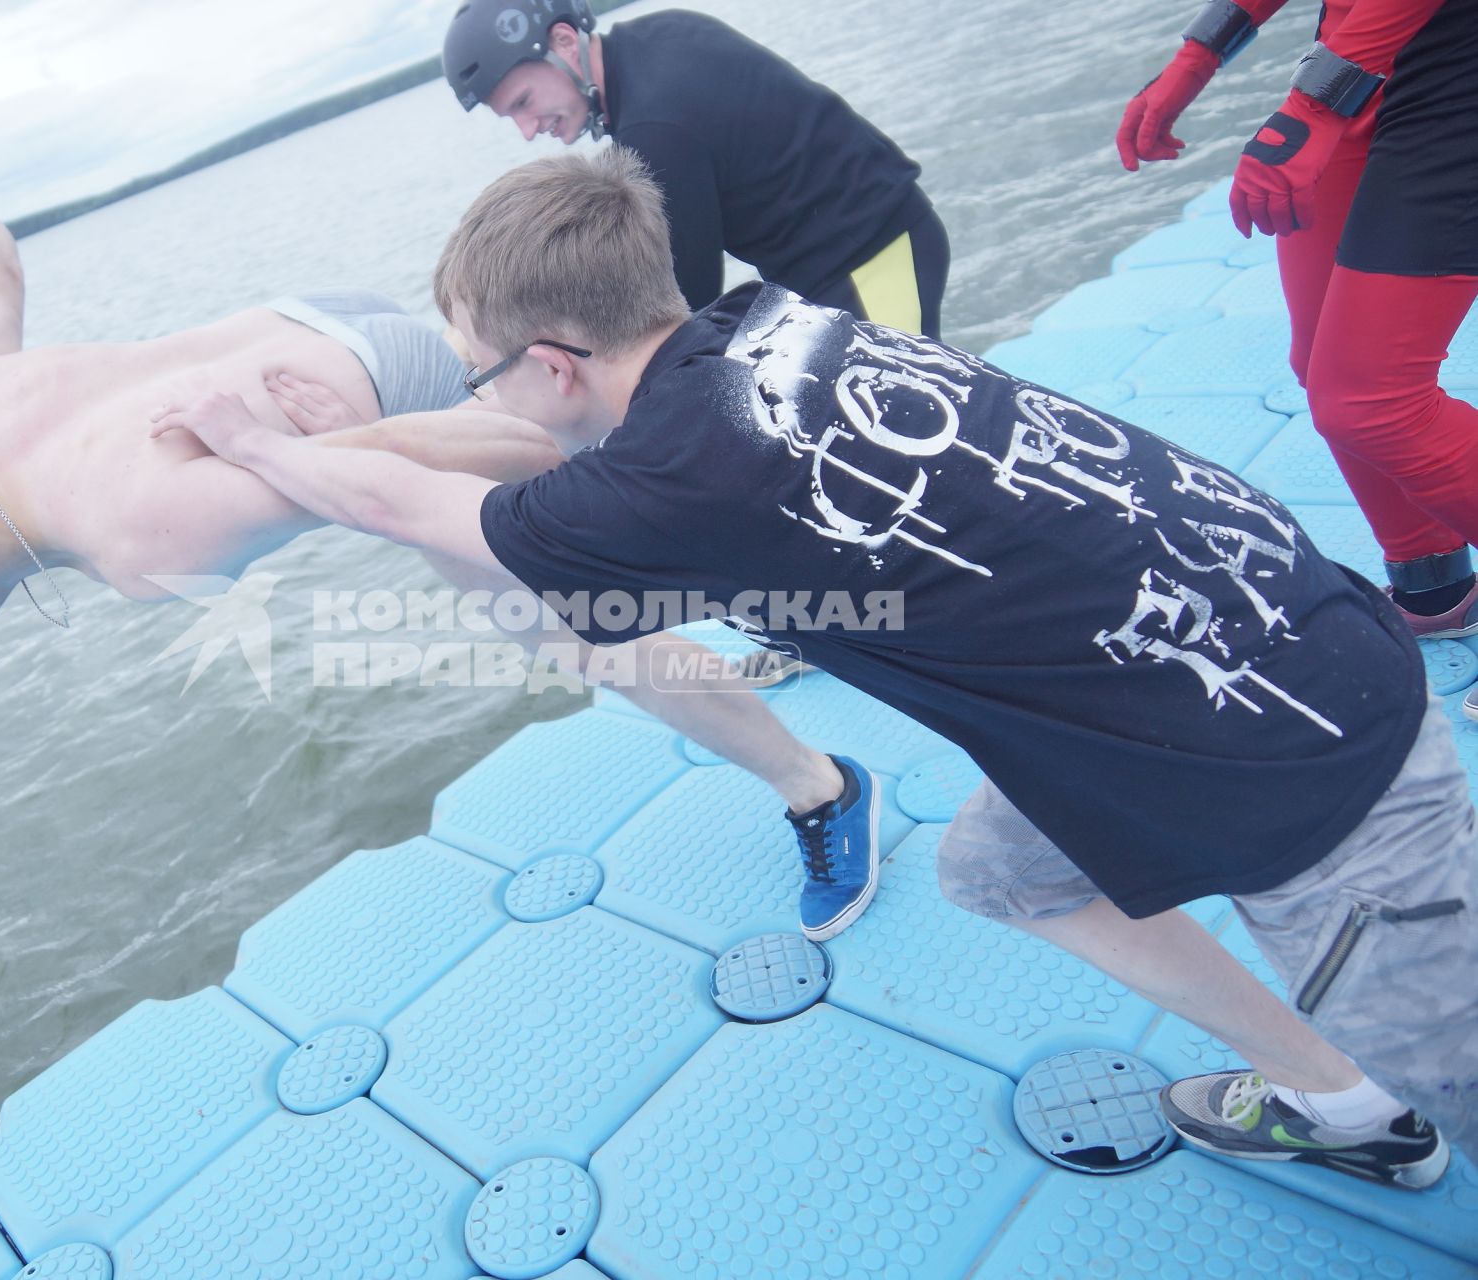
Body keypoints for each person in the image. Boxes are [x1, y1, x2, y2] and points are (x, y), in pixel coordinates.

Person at [156, 148, 1475, 1187]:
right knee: (996, 870)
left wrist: (245, 437)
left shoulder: (676, 474)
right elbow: (536, 460)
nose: (485, 397)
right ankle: (1335, 1097)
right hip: (1272, 626)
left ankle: (1388, 1106)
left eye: (483, 375)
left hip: (1307, 776)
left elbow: (415, 512)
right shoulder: (773, 335)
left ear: (552, 364)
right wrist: (367, 431)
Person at [0, 151, 864, 934]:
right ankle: (750, 619)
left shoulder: (142, 538)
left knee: (569, 622)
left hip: (384, 389)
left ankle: (816, 785)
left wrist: (393, 451)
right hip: (312, 318)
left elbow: (477, 451)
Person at [1118, 0, 1478, 722]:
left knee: (1371, 398)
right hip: (1366, 47)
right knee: (1320, 361)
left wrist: (1310, 107)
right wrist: (1199, 55)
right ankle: (1435, 585)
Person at [441, 0, 948, 339]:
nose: (529, 129)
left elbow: (682, 303)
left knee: (900, 433)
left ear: (566, 43)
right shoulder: (659, 33)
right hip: (856, 250)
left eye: (525, 101)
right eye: (513, 117)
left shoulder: (655, 131)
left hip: (874, 258)